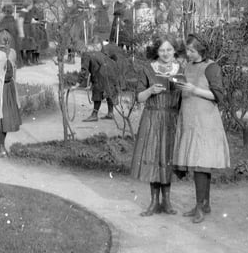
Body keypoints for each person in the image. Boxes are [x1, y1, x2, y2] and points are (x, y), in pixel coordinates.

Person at [173, 34, 230, 223]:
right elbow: (185, 88)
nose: (188, 53)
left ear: (201, 51)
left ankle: (199, 207)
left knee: (200, 164)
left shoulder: (211, 67)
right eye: (187, 50)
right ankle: (204, 204)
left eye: (192, 50)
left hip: (205, 123)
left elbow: (219, 96)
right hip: (190, 121)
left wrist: (194, 90)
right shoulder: (187, 66)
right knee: (200, 164)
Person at [130, 36, 184, 216]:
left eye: (169, 50)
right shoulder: (148, 69)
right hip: (152, 117)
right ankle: (154, 202)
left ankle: (167, 202)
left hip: (171, 119)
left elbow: (186, 97)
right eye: (162, 50)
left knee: (167, 158)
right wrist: (150, 91)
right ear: (156, 51)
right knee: (153, 157)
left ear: (174, 50)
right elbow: (138, 97)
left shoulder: (180, 69)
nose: (166, 53)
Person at [82, 40, 120, 121]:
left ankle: (94, 115)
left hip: (101, 77)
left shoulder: (88, 55)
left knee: (97, 94)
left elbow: (84, 71)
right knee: (109, 93)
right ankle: (110, 113)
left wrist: (78, 83)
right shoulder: (104, 55)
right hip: (111, 77)